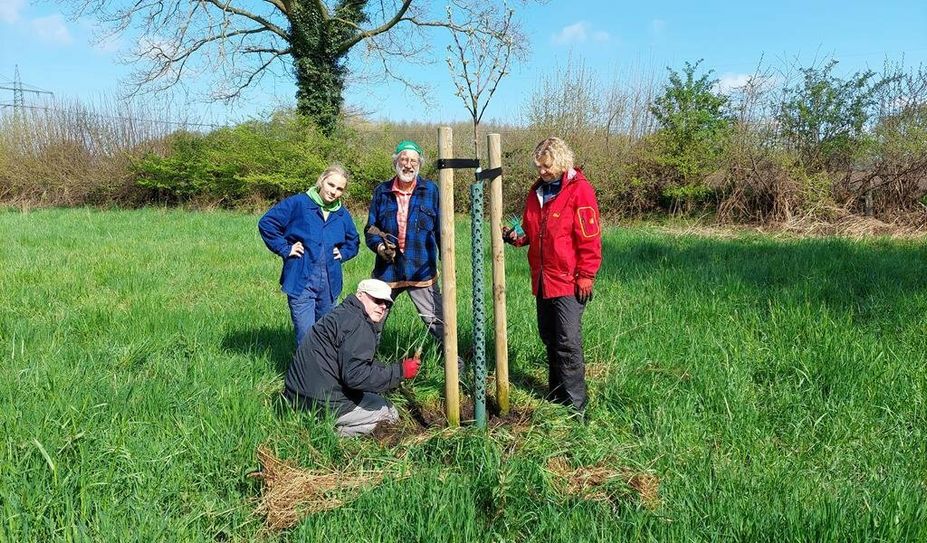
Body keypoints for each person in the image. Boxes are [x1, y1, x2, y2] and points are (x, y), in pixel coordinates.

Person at [502, 137, 602, 414]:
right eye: (538, 167)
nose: (541, 172)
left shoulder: (580, 191)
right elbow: (530, 232)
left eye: (546, 166)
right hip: (543, 280)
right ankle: (557, 395)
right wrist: (514, 236)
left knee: (567, 342)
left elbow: (590, 238)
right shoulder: (537, 192)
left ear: (560, 162)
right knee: (548, 336)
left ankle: (576, 405)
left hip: (569, 281)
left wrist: (586, 275)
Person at [283, 279, 421, 437]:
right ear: (361, 296)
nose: (382, 306)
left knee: (373, 398)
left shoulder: (343, 314)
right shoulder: (360, 325)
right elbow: (356, 377)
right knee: (389, 412)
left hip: (295, 397)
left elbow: (353, 362)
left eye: (387, 304)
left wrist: (392, 369)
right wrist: (400, 372)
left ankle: (315, 422)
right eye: (377, 300)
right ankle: (328, 432)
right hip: (322, 404)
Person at [365, 140, 453, 361]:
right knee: (372, 321)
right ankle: (365, 367)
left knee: (438, 322)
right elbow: (371, 228)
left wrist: (448, 263)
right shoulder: (382, 191)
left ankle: (455, 367)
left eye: (413, 161)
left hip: (420, 269)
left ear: (419, 164)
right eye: (404, 159)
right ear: (396, 161)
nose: (408, 165)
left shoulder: (430, 190)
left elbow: (443, 230)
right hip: (388, 271)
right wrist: (379, 246)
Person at [258, 164, 360, 347]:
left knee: (327, 335)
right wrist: (285, 248)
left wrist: (343, 253)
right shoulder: (299, 203)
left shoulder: (342, 214)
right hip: (301, 280)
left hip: (330, 284)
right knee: (306, 336)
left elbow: (354, 241)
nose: (334, 192)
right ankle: (304, 374)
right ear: (322, 181)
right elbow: (267, 223)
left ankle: (326, 374)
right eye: (331, 185)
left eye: (339, 189)